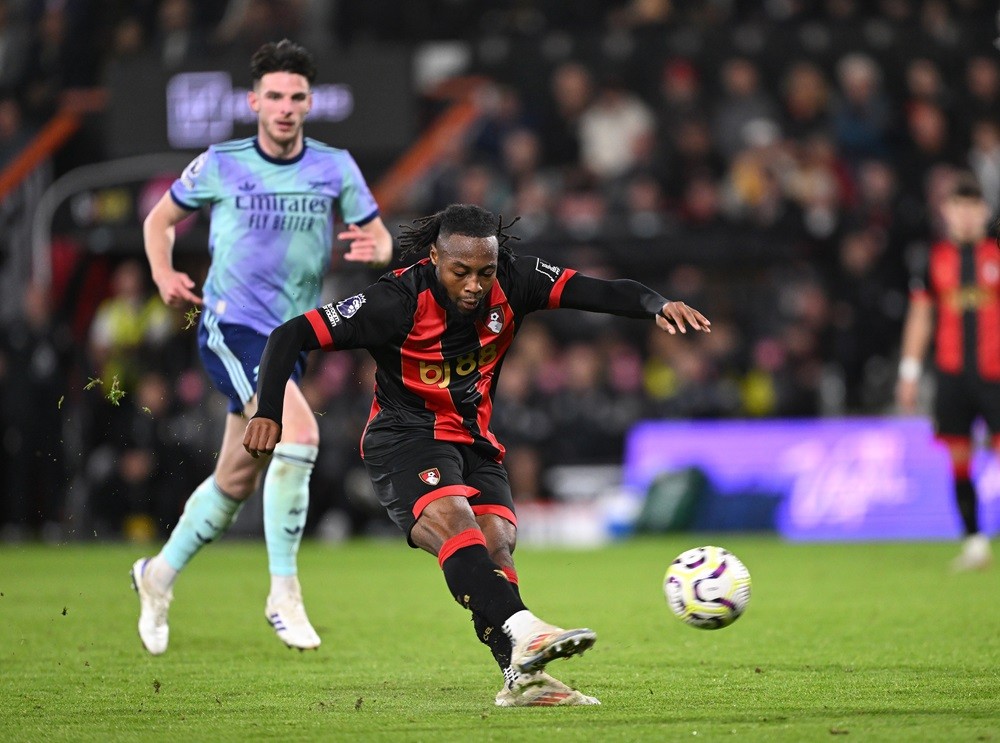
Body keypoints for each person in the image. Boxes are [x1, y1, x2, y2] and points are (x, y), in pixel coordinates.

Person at [243, 203, 711, 706]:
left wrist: (656, 304)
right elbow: (288, 335)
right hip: (405, 439)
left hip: (473, 440)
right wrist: (268, 410)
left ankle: (522, 681)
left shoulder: (518, 279)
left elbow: (599, 291)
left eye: (484, 272)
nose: (473, 285)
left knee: (497, 546)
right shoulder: (393, 301)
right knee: (458, 528)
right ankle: (526, 629)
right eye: (459, 271)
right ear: (434, 258)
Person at [130, 39, 393, 655]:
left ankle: (157, 575)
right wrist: (164, 276)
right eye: (273, 95)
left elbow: (379, 237)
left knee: (237, 479)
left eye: (296, 96)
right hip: (233, 326)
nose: (284, 107)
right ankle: (284, 592)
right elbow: (157, 222)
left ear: (309, 103)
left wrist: (374, 250)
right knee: (298, 435)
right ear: (254, 101)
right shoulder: (221, 162)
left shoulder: (334, 166)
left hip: (291, 337)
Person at [897, 174, 996, 571]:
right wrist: (909, 371)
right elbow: (921, 316)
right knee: (959, 458)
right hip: (952, 374)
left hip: (996, 373)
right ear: (947, 212)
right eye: (959, 208)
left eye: (973, 208)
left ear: (985, 212)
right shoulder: (932, 259)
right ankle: (975, 543)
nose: (967, 216)